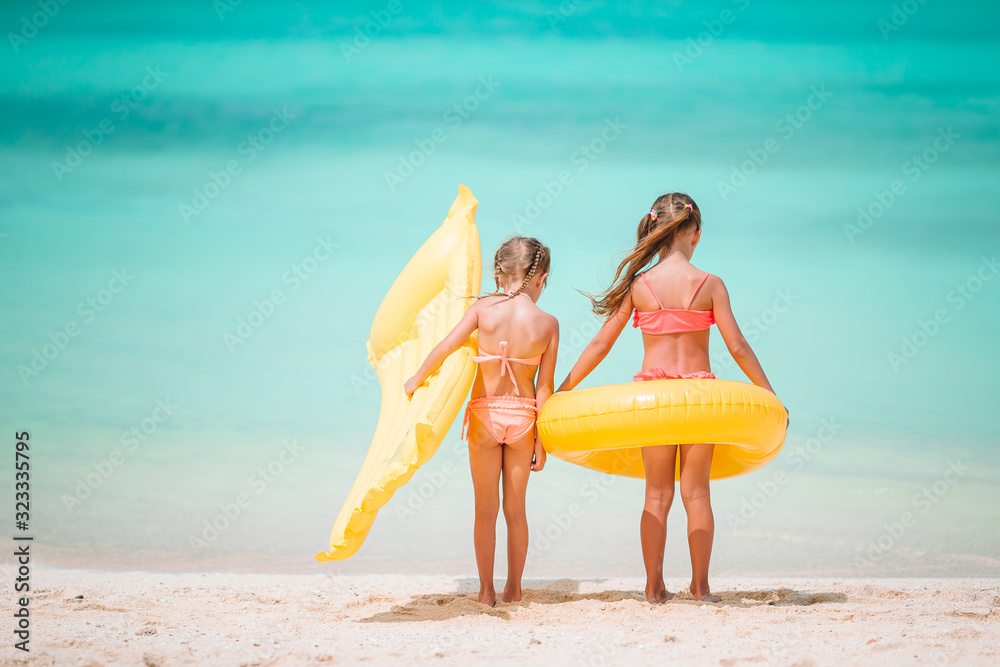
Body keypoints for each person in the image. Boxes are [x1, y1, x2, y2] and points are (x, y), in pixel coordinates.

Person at [558, 193, 778, 603]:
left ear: (656, 233)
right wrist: (769, 395)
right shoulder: (711, 284)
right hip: (700, 397)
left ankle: (653, 585)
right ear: (696, 235)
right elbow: (739, 347)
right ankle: (700, 586)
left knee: (657, 494)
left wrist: (562, 391)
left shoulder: (640, 285)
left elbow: (601, 345)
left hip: (654, 400)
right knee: (697, 493)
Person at [405, 236, 558, 606]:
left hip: (486, 416)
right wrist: (542, 439)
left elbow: (445, 347)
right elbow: (546, 387)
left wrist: (416, 379)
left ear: (499, 274)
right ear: (542, 278)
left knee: (485, 509)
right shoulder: (548, 323)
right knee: (516, 509)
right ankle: (515, 588)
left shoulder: (483, 310)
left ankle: (486, 591)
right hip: (524, 420)